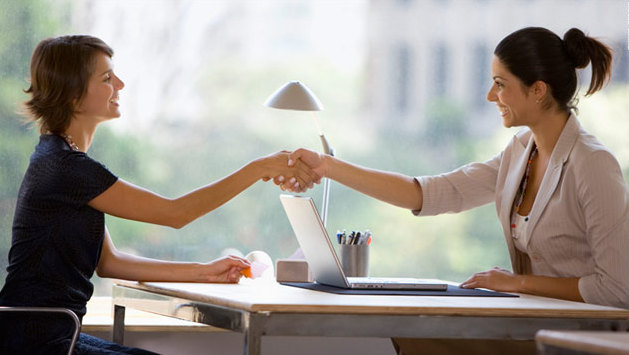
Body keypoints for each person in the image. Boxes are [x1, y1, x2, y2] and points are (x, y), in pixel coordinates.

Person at [287, 27, 629, 354]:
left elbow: (616, 290)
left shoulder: (593, 164)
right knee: (411, 328)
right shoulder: (519, 153)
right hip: (533, 322)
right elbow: (430, 193)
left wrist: (517, 283)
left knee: (421, 336)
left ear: (538, 90)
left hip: (579, 339)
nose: (490, 95)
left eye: (500, 84)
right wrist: (328, 166)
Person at [0, 35, 316, 354]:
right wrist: (257, 168)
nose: (120, 84)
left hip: (50, 333)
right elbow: (174, 213)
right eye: (107, 78)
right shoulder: (67, 168)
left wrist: (205, 271)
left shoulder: (58, 159)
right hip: (38, 341)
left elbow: (110, 262)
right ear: (72, 93)